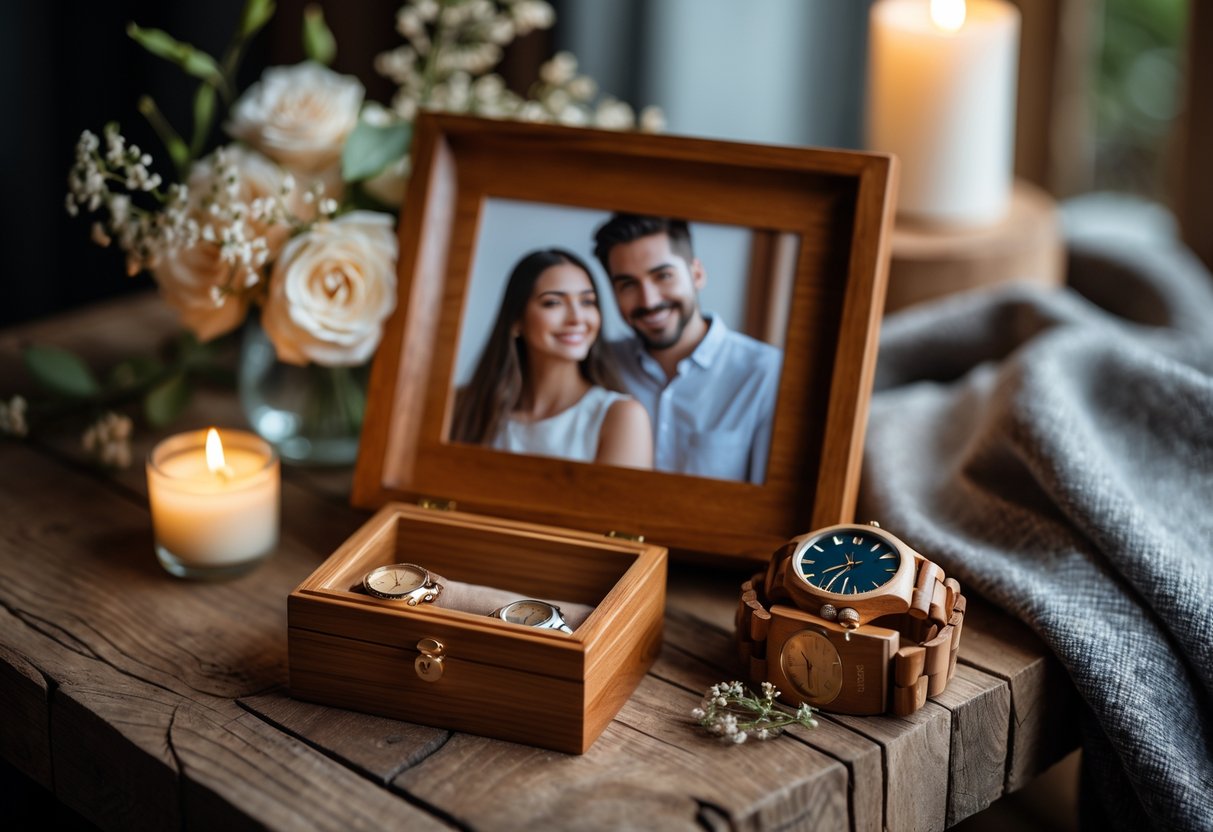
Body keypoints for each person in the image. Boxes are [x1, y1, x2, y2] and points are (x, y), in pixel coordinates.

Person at [592, 214, 782, 483]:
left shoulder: (767, 373)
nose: (649, 300)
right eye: (628, 284)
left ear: (697, 274)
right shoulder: (600, 364)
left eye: (663, 276)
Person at [451, 248, 652, 469]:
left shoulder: (621, 417)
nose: (577, 318)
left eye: (587, 302)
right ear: (516, 320)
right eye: (553, 303)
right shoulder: (463, 406)